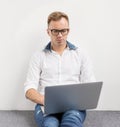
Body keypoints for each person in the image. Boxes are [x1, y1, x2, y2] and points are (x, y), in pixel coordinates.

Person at [24, 11, 95, 127]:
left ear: (68, 31)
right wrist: (45, 100)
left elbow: (90, 84)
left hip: (74, 107)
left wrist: (81, 99)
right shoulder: (38, 56)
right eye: (55, 31)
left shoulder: (81, 54)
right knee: (50, 125)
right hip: (45, 106)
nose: (60, 35)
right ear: (48, 32)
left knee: (71, 123)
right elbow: (29, 89)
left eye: (63, 30)